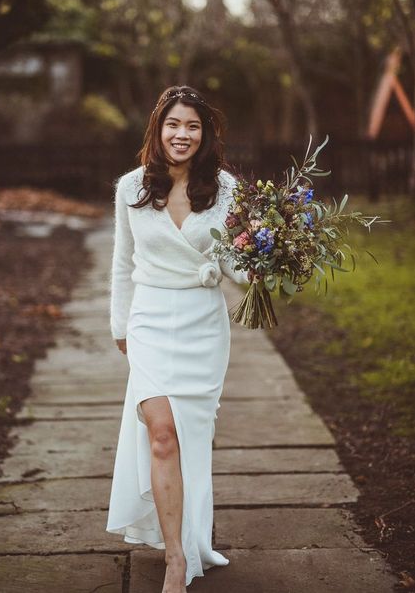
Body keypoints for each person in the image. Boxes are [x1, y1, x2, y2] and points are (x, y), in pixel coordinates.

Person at [106, 85, 249, 592]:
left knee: (190, 439)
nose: (181, 134)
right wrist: (120, 326)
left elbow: (237, 264)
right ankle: (173, 560)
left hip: (202, 324)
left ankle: (191, 537)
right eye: (173, 124)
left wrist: (271, 268)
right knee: (160, 433)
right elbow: (123, 263)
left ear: (205, 134)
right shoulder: (131, 188)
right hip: (148, 318)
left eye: (192, 126)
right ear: (157, 129)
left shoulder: (227, 190)